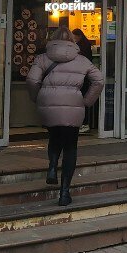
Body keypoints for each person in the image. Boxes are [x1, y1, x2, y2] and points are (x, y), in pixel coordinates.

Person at [27, 26, 104, 206]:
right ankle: (64, 193)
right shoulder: (82, 60)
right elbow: (98, 81)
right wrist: (86, 101)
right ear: (73, 40)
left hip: (48, 106)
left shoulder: (42, 58)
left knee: (54, 137)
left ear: (53, 39)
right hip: (73, 106)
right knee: (70, 147)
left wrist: (38, 98)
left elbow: (32, 80)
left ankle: (52, 167)